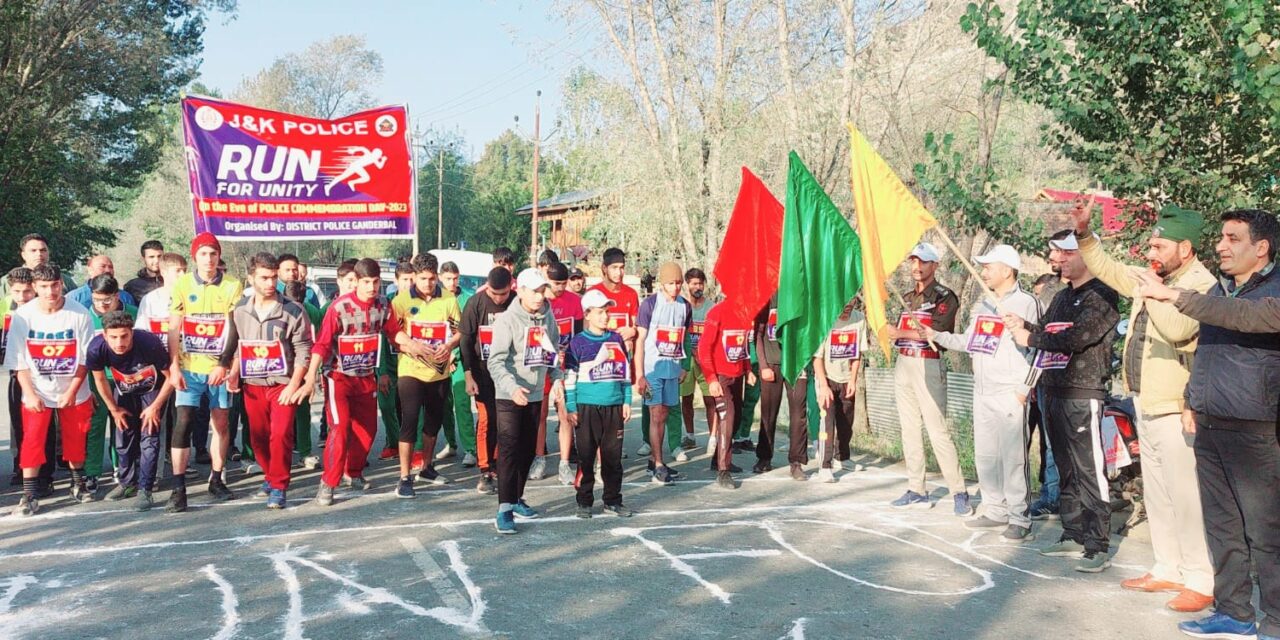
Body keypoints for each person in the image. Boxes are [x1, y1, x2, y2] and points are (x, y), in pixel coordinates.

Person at [1132, 208, 1280, 640]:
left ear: (1262, 247)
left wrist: (1175, 296)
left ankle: (1275, 620)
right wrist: (1193, 399)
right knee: (1222, 528)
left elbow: (1245, 319)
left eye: (1233, 238)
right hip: (1210, 423)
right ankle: (1234, 613)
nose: (1221, 245)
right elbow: (1207, 348)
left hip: (1255, 429)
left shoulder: (1270, 291)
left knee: (1265, 532)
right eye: (1221, 237)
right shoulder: (1223, 288)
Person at [1071, 204, 1217, 611]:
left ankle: (1201, 578)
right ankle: (1167, 567)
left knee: (1186, 496)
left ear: (1184, 248)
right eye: (1150, 243)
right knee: (1158, 493)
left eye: (1159, 245)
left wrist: (1153, 291)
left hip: (1177, 406)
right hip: (1145, 401)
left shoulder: (1200, 284)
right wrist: (1085, 234)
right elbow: (1108, 268)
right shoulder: (1158, 275)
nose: (1151, 251)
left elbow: (1178, 328)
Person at [1006, 231, 1120, 573]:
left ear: (1086, 254)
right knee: (1065, 467)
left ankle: (1097, 542)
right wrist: (1023, 326)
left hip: (1084, 392)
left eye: (1066, 253)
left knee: (1089, 469)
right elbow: (1045, 332)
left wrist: (1033, 336)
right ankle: (1072, 532)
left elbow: (1077, 338)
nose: (1058, 259)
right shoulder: (1059, 297)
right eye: (1056, 253)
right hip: (1053, 390)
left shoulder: (1102, 293)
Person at [927, 245, 1041, 541]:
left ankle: (1019, 516)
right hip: (983, 391)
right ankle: (994, 509)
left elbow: (1039, 348)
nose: (984, 271)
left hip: (1010, 392)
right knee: (987, 455)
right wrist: (937, 336)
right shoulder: (984, 304)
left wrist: (1023, 389)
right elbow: (970, 341)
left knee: (1013, 457)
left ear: (1007, 270)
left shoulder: (1028, 303)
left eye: (989, 266)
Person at [214, 253, 313, 510]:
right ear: (251, 278)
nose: (270, 283)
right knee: (258, 438)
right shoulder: (240, 310)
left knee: (280, 435)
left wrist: (295, 384)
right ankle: (270, 475)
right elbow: (237, 346)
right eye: (264, 277)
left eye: (273, 277)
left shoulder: (294, 309)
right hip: (253, 385)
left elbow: (304, 348)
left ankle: (279, 485)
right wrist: (234, 372)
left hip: (283, 384)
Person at [305, 258, 403, 507]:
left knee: (368, 429)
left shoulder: (384, 305)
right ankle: (328, 482)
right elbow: (322, 343)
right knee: (339, 427)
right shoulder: (338, 308)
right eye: (366, 282)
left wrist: (418, 347)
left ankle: (354, 471)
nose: (371, 287)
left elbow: (394, 334)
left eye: (375, 282)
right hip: (338, 377)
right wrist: (310, 377)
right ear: (356, 281)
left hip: (365, 376)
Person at [884, 242, 971, 515]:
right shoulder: (907, 297)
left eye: (922, 262)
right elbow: (898, 330)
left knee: (937, 430)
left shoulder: (945, 297)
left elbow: (936, 331)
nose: (916, 267)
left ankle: (959, 491)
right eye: (913, 261)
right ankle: (916, 489)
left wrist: (898, 333)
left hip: (928, 365)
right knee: (909, 429)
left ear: (934, 265)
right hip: (904, 364)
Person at [6, 264, 96, 515]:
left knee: (76, 438)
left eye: (54, 285)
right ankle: (29, 493)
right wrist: (30, 394)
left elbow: (85, 360)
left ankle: (78, 484)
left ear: (61, 285)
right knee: (32, 441)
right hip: (37, 389)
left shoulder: (79, 314)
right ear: (34, 288)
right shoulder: (23, 316)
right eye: (44, 287)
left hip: (73, 390)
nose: (50, 291)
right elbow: (18, 360)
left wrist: (72, 391)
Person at [166, 232, 242, 512]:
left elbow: (235, 328)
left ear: (219, 256)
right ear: (194, 257)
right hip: (189, 369)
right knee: (183, 423)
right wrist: (173, 365)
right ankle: (178, 488)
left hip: (218, 370)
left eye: (213, 254)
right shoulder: (183, 285)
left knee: (221, 425)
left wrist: (225, 364)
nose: (209, 259)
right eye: (203, 254)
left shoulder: (233, 285)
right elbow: (174, 328)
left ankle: (217, 478)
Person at [487, 268, 561, 534]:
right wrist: (512, 386)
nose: (540, 296)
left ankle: (517, 498)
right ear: (520, 290)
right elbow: (495, 361)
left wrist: (559, 379)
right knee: (508, 450)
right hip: (509, 395)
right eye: (534, 291)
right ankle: (504, 509)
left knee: (528, 450)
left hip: (536, 392)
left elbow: (552, 351)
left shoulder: (547, 316)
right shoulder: (507, 320)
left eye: (543, 290)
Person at [390, 253, 461, 498]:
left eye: (432, 279)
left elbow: (458, 331)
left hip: (439, 372)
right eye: (423, 279)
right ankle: (404, 476)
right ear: (414, 277)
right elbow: (393, 334)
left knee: (434, 422)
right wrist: (411, 345)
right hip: (410, 369)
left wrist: (449, 345)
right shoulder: (400, 300)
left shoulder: (449, 298)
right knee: (409, 421)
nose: (428, 284)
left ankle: (427, 467)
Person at [86, 310, 172, 511]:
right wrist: (113, 409)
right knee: (123, 434)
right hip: (124, 388)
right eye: (113, 337)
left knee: (149, 436)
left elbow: (171, 378)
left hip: (153, 389)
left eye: (124, 336)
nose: (119, 343)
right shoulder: (96, 348)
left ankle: (145, 489)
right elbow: (99, 380)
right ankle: (126, 484)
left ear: (132, 333)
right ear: (104, 335)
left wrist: (155, 407)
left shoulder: (149, 342)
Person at [564, 289, 634, 518]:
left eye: (607, 311)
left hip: (613, 406)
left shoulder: (615, 339)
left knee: (613, 457)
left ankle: (612, 499)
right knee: (586, 455)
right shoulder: (578, 343)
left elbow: (624, 372)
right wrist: (572, 407)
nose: (605, 316)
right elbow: (570, 378)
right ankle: (584, 500)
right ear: (588, 314)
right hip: (587, 407)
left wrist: (626, 400)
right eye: (600, 312)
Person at [635, 261, 692, 485]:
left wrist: (685, 366)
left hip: (672, 369)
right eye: (671, 283)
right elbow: (639, 340)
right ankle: (658, 463)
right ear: (662, 283)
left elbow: (685, 337)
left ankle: (654, 460)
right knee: (656, 414)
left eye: (678, 283)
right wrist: (639, 374)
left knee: (665, 414)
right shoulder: (649, 304)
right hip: (652, 369)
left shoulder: (684, 306)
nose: (675, 287)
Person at [459, 267, 515, 495]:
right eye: (493, 293)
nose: (498, 298)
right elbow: (465, 341)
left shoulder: (517, 302)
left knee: (506, 421)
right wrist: (468, 375)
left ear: (510, 287)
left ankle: (501, 463)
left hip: (509, 374)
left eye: (502, 294)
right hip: (482, 373)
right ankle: (485, 469)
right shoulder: (476, 303)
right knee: (486, 419)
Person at [83, 274, 138, 493]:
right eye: (97, 300)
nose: (102, 305)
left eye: (108, 300)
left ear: (117, 296)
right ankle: (91, 472)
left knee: (122, 425)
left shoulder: (133, 313)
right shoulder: (85, 316)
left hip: (126, 378)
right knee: (95, 427)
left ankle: (121, 468)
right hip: (96, 379)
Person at [588, 248, 644, 457]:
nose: (619, 272)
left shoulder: (630, 294)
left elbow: (638, 327)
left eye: (622, 268)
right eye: (614, 268)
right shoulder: (594, 292)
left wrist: (633, 330)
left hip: (622, 361)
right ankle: (599, 454)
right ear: (604, 268)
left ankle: (614, 449)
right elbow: (587, 327)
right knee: (601, 406)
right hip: (599, 361)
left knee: (620, 406)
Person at [696, 299, 752, 489]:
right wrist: (711, 379)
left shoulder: (745, 312)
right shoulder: (716, 313)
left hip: (737, 376)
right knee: (727, 418)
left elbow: (742, 345)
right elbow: (704, 348)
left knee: (735, 421)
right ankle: (723, 470)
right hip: (721, 377)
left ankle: (717, 458)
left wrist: (748, 370)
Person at [811, 296, 867, 483]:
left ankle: (842, 457)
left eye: (851, 305)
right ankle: (825, 466)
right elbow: (817, 357)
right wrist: (823, 385)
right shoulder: (826, 319)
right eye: (844, 305)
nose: (847, 309)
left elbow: (857, 353)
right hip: (827, 377)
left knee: (846, 422)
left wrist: (853, 379)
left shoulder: (859, 319)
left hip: (846, 378)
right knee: (827, 423)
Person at [754, 296, 809, 480]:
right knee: (768, 413)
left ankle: (796, 462)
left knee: (799, 412)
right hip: (772, 364)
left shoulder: (802, 295)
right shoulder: (768, 298)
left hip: (796, 363)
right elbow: (758, 334)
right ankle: (764, 457)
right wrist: (763, 366)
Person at [4, 268, 47, 489]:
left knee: (43, 426)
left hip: (42, 377)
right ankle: (19, 466)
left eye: (28, 291)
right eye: (17, 291)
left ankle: (44, 476)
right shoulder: (5, 309)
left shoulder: (43, 311)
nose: (22, 297)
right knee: (18, 425)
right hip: (15, 376)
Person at [541, 261, 582, 485]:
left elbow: (578, 333)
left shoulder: (574, 300)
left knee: (564, 414)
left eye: (564, 284)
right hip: (539, 365)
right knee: (539, 415)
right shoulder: (540, 300)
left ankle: (565, 463)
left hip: (564, 365)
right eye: (556, 284)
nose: (560, 288)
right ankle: (538, 458)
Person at [438, 261, 477, 467]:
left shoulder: (468, 298)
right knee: (443, 403)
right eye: (448, 278)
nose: (452, 282)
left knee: (462, 404)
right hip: (439, 358)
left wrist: (454, 353)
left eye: (455, 278)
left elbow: (468, 332)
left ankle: (470, 448)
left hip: (461, 359)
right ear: (440, 277)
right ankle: (451, 443)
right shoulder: (436, 298)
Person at [679, 268, 714, 453]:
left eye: (700, 283)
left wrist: (704, 354)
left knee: (710, 399)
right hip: (688, 360)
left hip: (706, 360)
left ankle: (713, 438)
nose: (697, 286)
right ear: (687, 285)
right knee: (687, 399)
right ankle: (690, 435)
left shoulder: (711, 307)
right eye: (694, 283)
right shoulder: (683, 306)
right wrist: (691, 351)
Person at [1, 233, 76, 298]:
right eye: (33, 251)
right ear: (23, 255)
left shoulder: (63, 280)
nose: (39, 254)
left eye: (43, 250)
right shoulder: (8, 281)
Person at [68, 255, 137, 308]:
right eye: (102, 266)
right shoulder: (74, 298)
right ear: (90, 270)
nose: (108, 270)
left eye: (110, 267)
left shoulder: (125, 297)